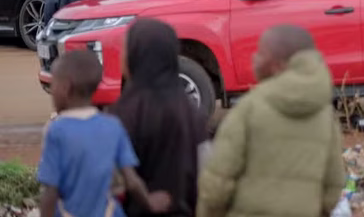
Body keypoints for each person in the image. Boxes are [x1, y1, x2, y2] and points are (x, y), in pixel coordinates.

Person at [197, 25, 345, 217]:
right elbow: (333, 184)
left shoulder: (249, 109)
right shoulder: (325, 116)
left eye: (260, 53)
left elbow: (218, 182)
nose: (254, 58)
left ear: (277, 66)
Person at [38, 50, 170, 217]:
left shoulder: (56, 131)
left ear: (65, 88)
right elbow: (132, 181)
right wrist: (149, 203)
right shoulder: (113, 126)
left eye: (53, 85)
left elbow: (50, 191)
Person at [111, 19, 207, 217]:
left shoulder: (123, 114)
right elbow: (209, 181)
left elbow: (112, 183)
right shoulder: (192, 115)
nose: (121, 56)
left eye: (125, 50)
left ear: (138, 56)